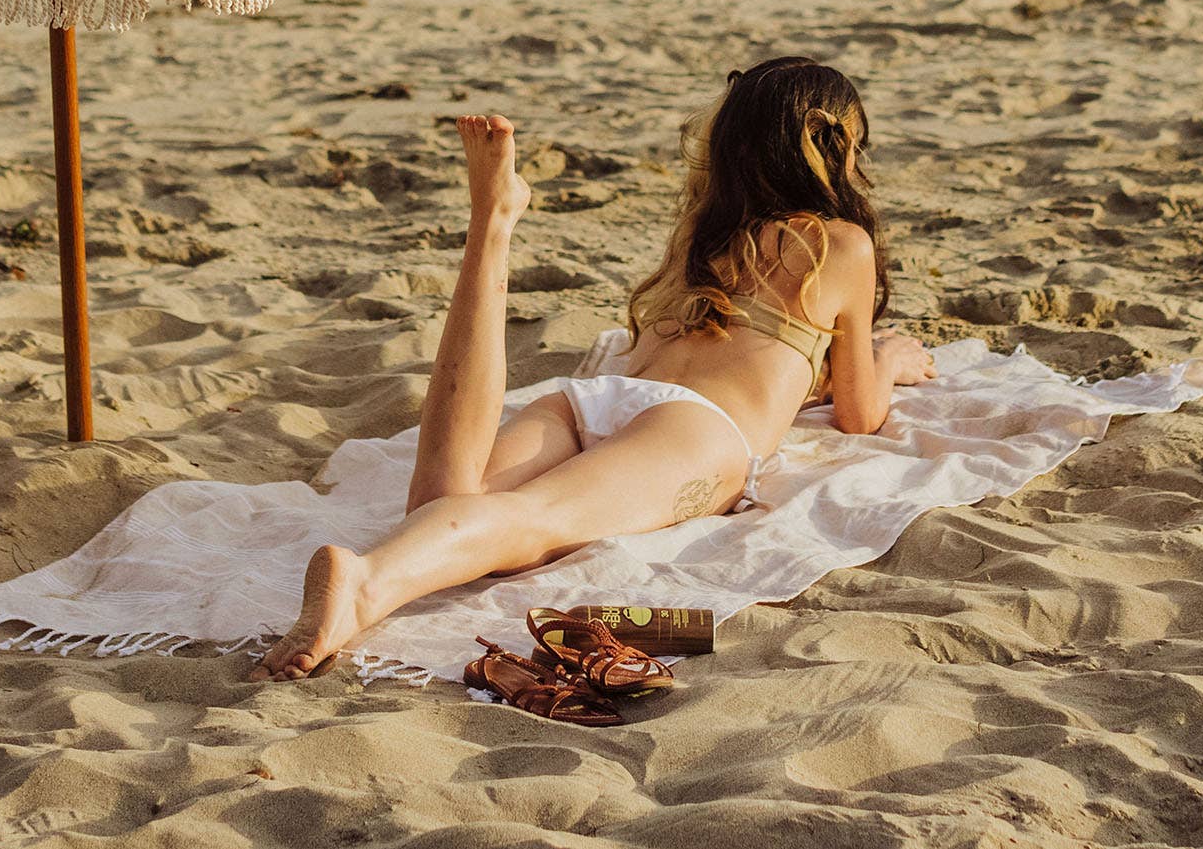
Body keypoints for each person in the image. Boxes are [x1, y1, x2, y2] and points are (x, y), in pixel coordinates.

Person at [259, 57, 936, 678]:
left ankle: (492, 225)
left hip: (597, 396)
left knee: (442, 502)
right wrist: (889, 357)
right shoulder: (840, 245)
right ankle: (366, 583)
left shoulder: (705, 233)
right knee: (533, 518)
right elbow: (859, 411)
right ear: (833, 147)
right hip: (698, 427)